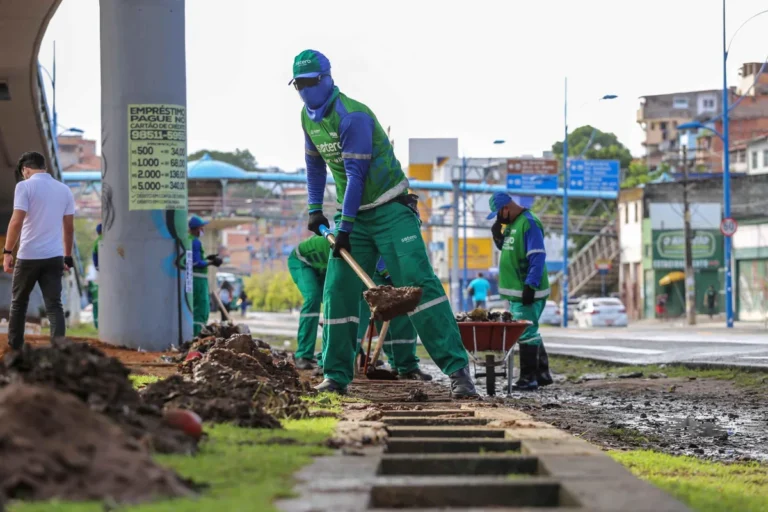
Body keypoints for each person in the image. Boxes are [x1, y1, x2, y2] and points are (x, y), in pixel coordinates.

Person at [291, 49, 477, 397]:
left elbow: (356, 175)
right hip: (355, 216)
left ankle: (458, 373)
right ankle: (335, 375)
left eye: (310, 83)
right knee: (337, 290)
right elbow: (314, 164)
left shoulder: (353, 117)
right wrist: (315, 208)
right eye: (298, 85)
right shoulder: (308, 117)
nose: (305, 91)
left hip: (390, 208)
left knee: (418, 284)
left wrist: (342, 228)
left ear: (327, 79)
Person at [3, 151, 75, 350]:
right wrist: (67, 256)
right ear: (43, 167)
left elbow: (16, 221)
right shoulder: (64, 190)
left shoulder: (24, 186)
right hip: (54, 256)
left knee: (19, 303)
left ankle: (16, 349)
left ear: (25, 169)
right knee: (54, 305)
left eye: (23, 172)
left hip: (28, 256)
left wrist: (7, 252)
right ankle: (58, 350)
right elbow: (69, 228)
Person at [489, 192, 553, 391]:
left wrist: (530, 285)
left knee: (526, 333)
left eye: (498, 214)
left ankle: (528, 378)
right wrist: (498, 236)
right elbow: (509, 250)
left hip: (527, 290)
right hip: (516, 290)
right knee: (530, 331)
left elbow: (537, 256)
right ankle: (542, 373)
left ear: (506, 208)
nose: (499, 218)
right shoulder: (513, 225)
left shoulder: (529, 223)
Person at [356, 256, 432, 381]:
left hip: (396, 267)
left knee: (403, 314)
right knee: (382, 313)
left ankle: (406, 366)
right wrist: (387, 272)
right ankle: (397, 364)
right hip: (379, 268)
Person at [287, 234, 331, 369]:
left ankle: (344, 353)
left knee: (335, 300)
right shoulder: (338, 243)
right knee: (313, 297)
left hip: (322, 265)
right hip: (301, 261)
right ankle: (303, 355)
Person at [189, 215, 221, 336]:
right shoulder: (195, 242)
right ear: (197, 229)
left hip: (193, 278)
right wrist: (212, 262)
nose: (203, 230)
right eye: (202, 228)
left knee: (195, 308)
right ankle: (196, 337)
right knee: (202, 309)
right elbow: (196, 262)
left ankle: (192, 335)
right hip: (198, 279)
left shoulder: (189, 239)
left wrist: (206, 258)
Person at [89, 223, 102, 328]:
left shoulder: (97, 242)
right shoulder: (108, 239)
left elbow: (94, 256)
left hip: (102, 272)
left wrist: (97, 266)